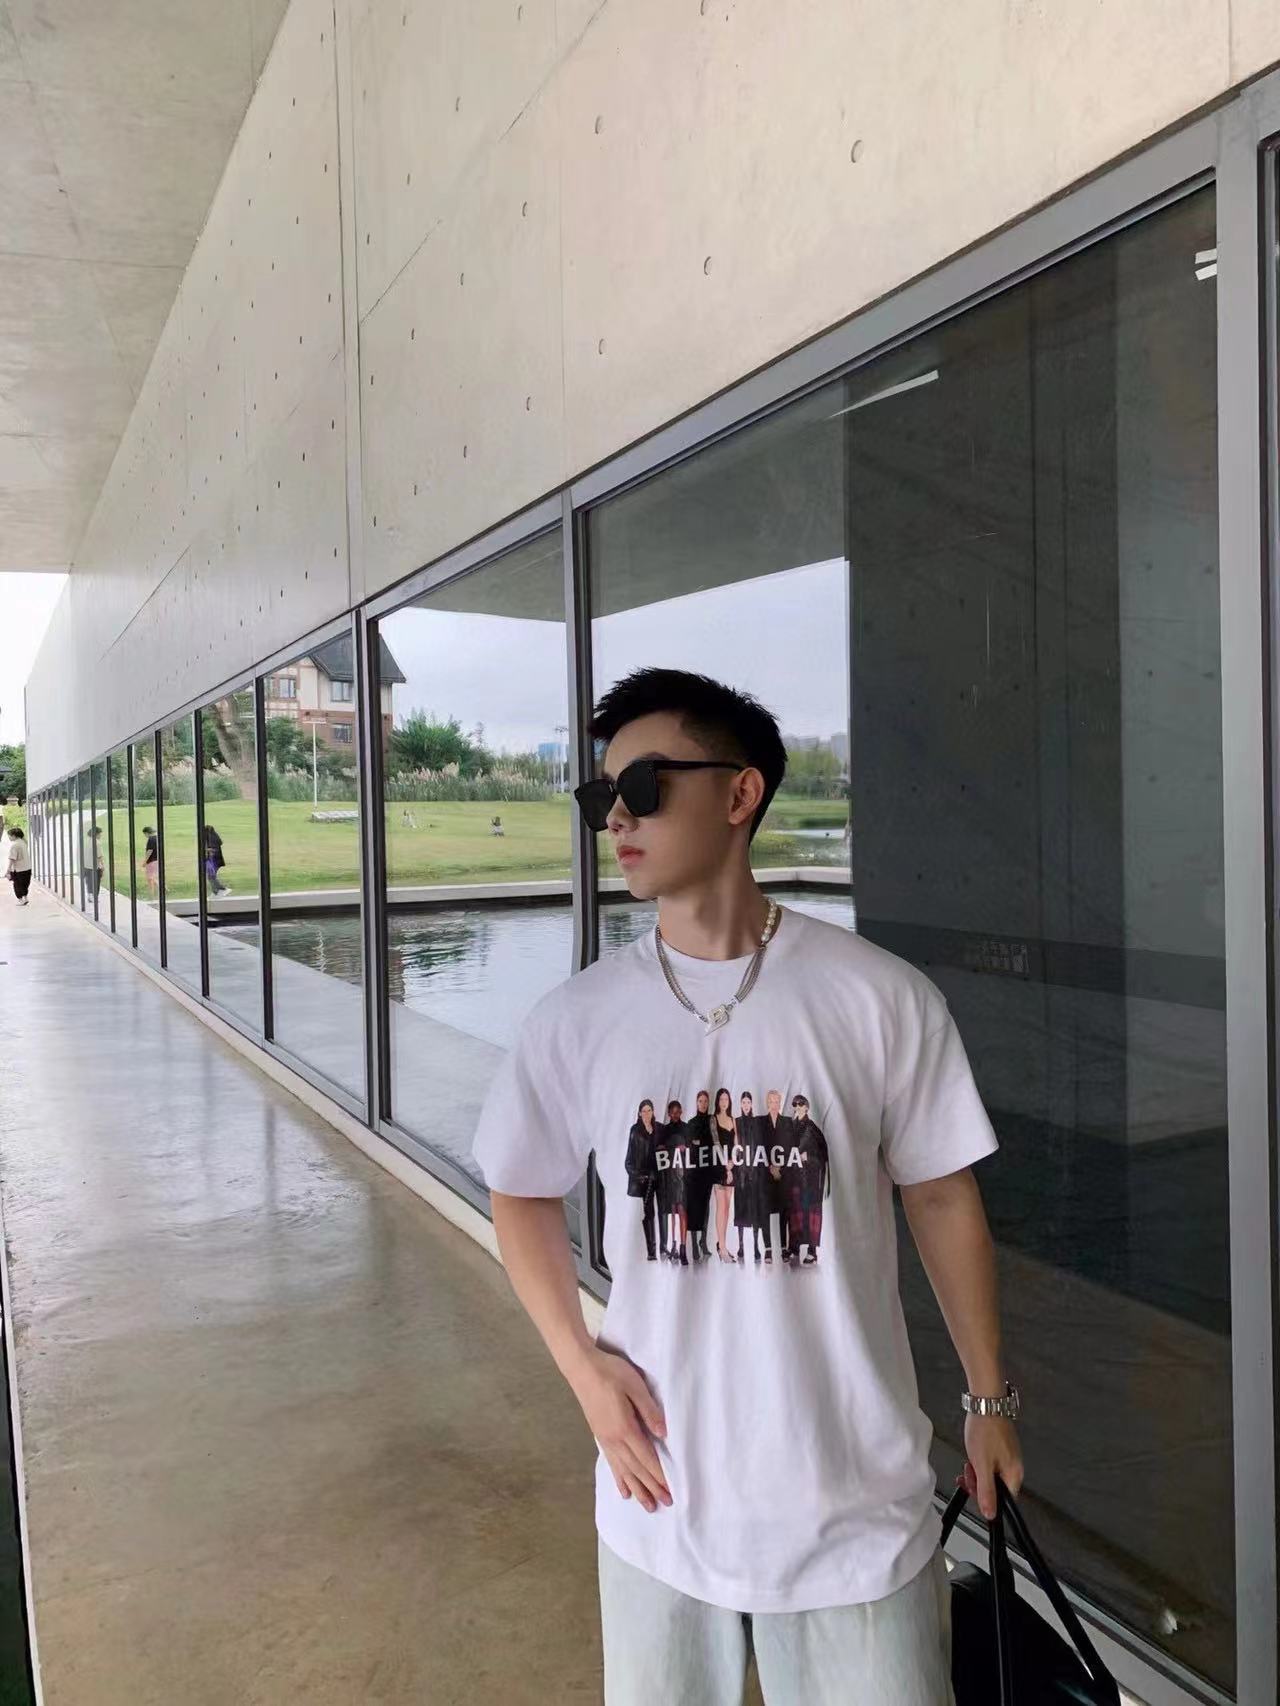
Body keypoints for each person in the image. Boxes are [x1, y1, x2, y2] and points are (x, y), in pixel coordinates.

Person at [472, 666, 1021, 1705]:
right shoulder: (577, 1020)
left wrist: (988, 1398)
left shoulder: (877, 997)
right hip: (657, 1505)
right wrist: (583, 1372)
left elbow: (942, 1196)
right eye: (600, 796)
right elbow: (519, 1190)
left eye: (642, 787)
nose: (615, 819)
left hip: (854, 1515)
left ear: (740, 793)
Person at [787, 1094, 830, 1266]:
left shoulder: (812, 1129)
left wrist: (808, 1158)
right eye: (795, 1104)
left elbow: (822, 1157)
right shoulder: (790, 1127)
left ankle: (812, 1252)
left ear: (806, 1107)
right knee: (795, 1212)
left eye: (800, 1104)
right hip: (795, 1177)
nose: (797, 1106)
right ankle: (795, 1246)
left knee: (810, 1213)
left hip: (810, 1180)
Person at [759, 1087, 794, 1263]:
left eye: (776, 1101)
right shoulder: (761, 1122)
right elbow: (757, 1146)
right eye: (771, 1101)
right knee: (765, 1210)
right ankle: (768, 1249)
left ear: (780, 1103)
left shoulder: (787, 1122)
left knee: (784, 1210)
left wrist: (781, 1169)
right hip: (765, 1173)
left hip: (783, 1173)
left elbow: (791, 1148)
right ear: (767, 1103)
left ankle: (783, 1248)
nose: (774, 1104)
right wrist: (769, 1167)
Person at [624, 1099, 660, 1262]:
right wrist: (640, 1176)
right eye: (644, 1111)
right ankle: (651, 1251)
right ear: (639, 1113)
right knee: (648, 1212)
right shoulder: (635, 1131)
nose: (646, 1114)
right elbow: (629, 1160)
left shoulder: (657, 1128)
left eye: (649, 1110)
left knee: (659, 1211)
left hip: (658, 1175)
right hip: (643, 1179)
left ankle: (661, 1248)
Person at [682, 1089, 714, 1262]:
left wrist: (699, 1143)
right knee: (694, 1207)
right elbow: (690, 1144)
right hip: (693, 1172)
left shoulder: (711, 1121)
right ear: (696, 1103)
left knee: (705, 1207)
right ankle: (694, 1244)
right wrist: (700, 1143)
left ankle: (703, 1242)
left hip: (707, 1171)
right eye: (700, 1101)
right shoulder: (691, 1123)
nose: (703, 1104)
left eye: (705, 1101)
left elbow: (712, 1143)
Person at [710, 1086, 737, 1262]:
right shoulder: (713, 1119)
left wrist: (732, 1162)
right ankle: (722, 1248)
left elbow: (736, 1142)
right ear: (718, 1101)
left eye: (726, 1099)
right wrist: (725, 1165)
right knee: (721, 1206)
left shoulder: (733, 1119)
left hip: (731, 1165)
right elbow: (716, 1142)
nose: (724, 1102)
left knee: (727, 1207)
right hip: (719, 1165)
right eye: (721, 1099)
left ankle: (722, 1244)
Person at [5, 827, 31, 906]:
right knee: (25, 885)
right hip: (27, 867)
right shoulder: (24, 843)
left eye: (9, 835)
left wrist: (8, 870)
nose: (9, 837)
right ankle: (25, 898)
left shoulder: (15, 845)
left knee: (17, 885)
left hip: (18, 869)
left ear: (14, 836)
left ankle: (21, 900)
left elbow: (12, 859)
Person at [203, 822, 230, 895]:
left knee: (211, 876)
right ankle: (219, 888)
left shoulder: (209, 838)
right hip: (217, 859)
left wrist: (207, 850)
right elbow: (220, 843)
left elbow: (211, 850)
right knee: (212, 875)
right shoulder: (214, 835)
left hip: (212, 860)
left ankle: (218, 890)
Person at [141, 826, 159, 897]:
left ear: (146, 833)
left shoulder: (151, 839)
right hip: (156, 860)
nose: (145, 836)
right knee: (152, 877)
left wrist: (144, 862)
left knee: (150, 878)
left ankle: (151, 894)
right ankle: (164, 890)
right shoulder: (157, 838)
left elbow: (149, 851)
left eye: (144, 834)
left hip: (151, 861)